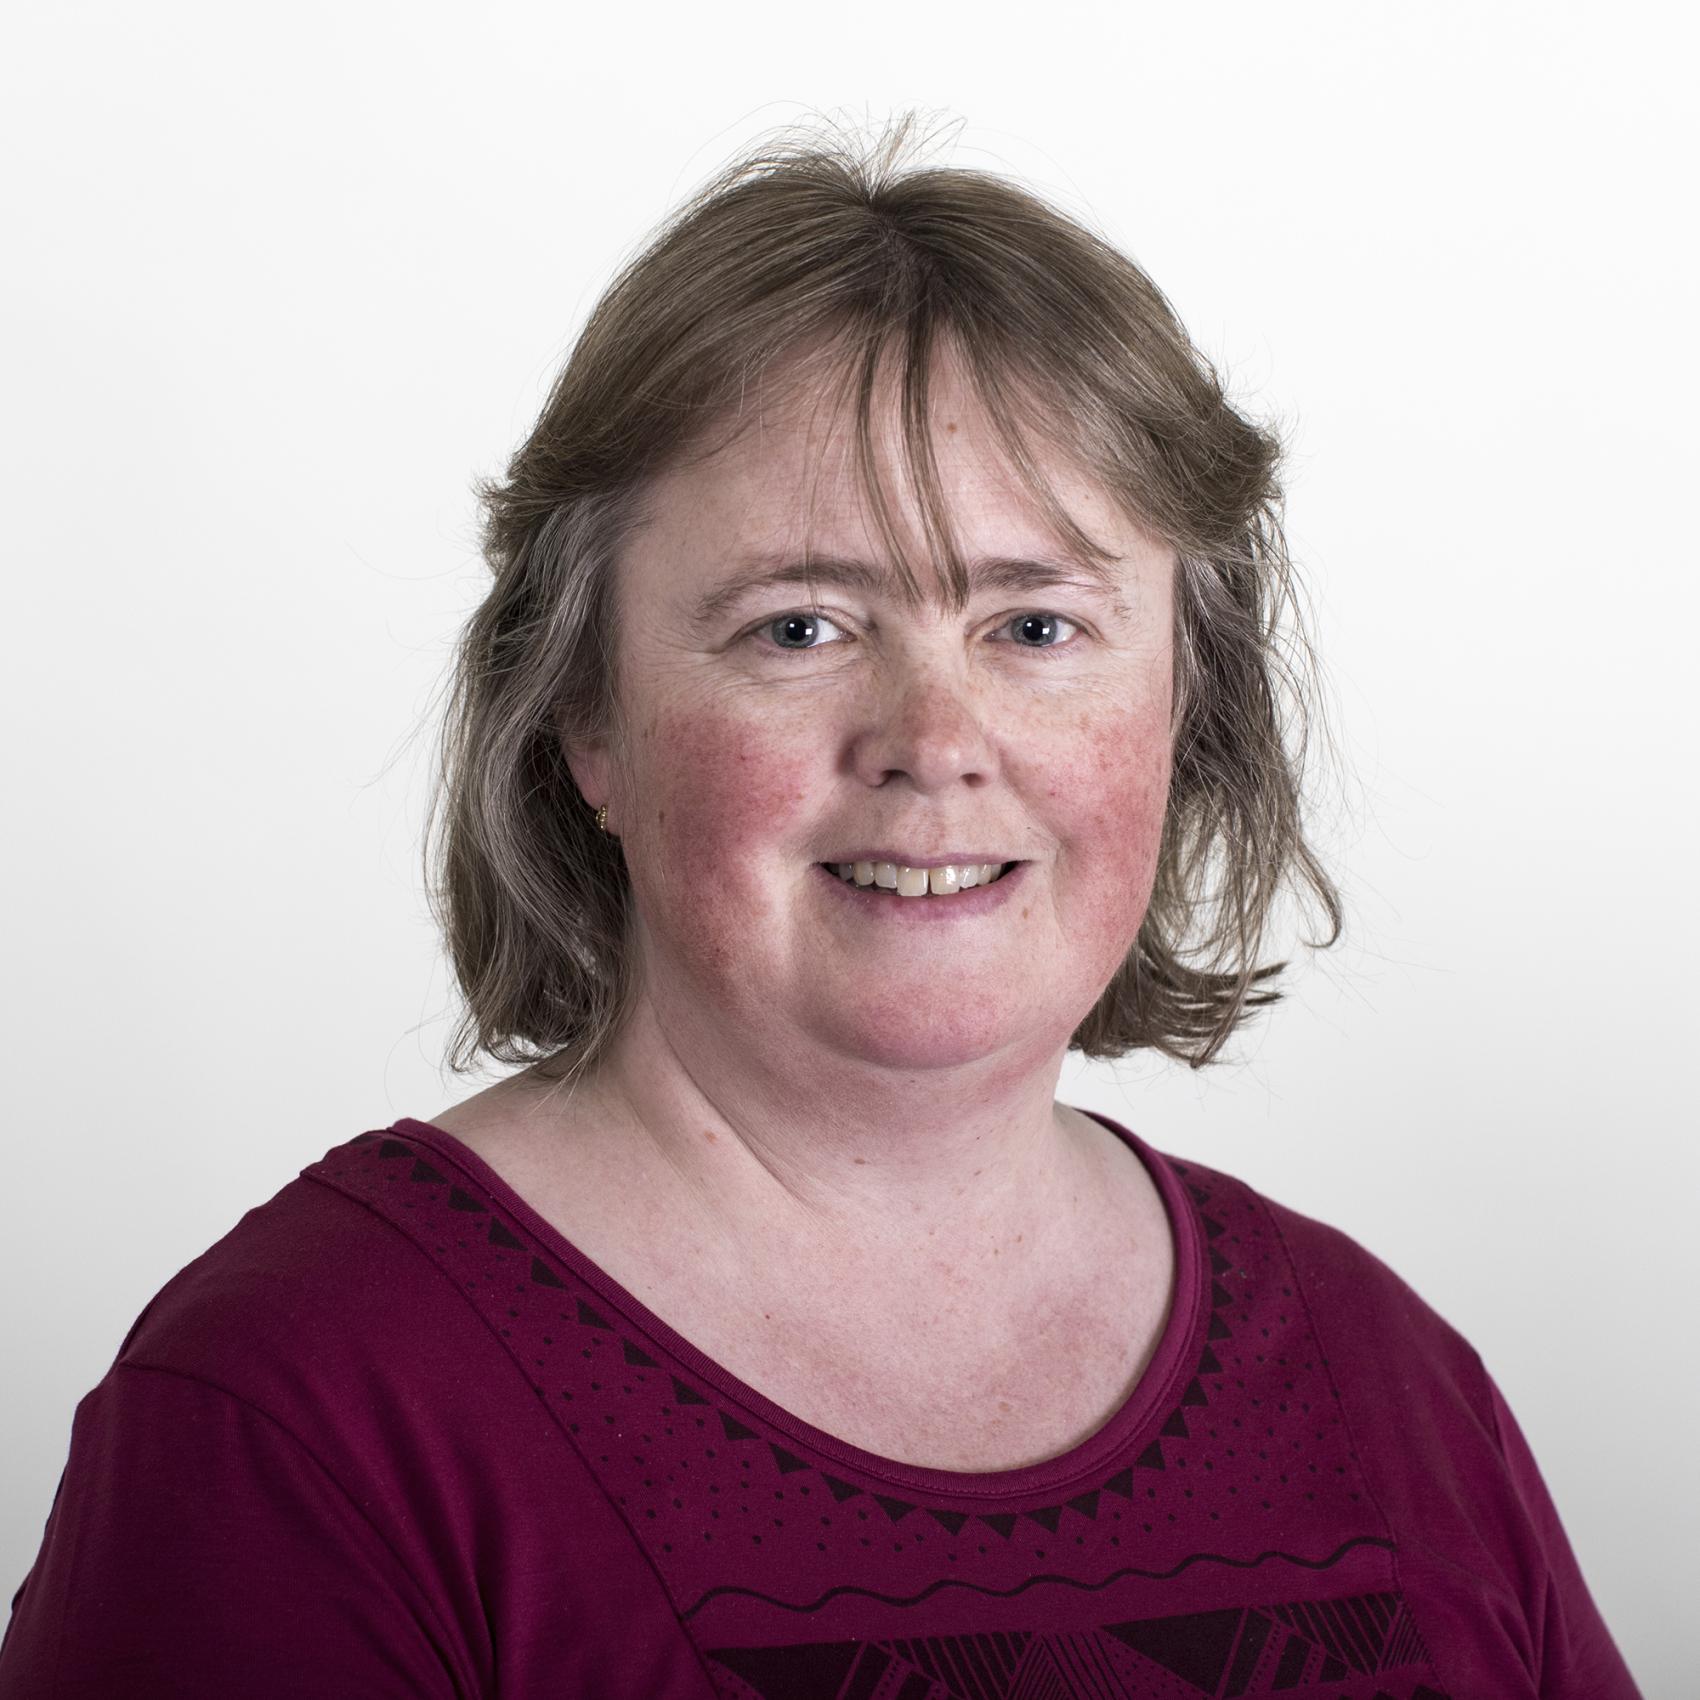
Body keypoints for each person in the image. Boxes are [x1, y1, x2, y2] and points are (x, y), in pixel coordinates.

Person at [0, 119, 1642, 1700]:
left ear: (1184, 710)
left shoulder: (1382, 1379)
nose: (934, 740)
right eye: (799, 628)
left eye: (1037, 628)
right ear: (585, 720)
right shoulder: (302, 1417)